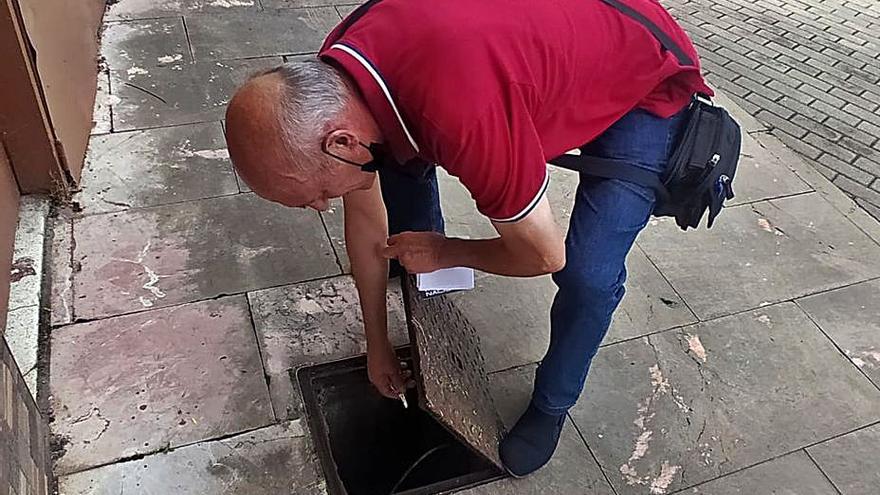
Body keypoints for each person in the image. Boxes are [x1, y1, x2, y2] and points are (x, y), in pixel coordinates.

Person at [225, 0, 711, 477]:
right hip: (544, 47)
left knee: (587, 273)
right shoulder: (339, 77)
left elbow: (542, 254)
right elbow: (367, 220)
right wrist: (376, 341)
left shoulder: (464, 113)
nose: (321, 207)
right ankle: (430, 286)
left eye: (314, 194)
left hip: (643, 78)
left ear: (340, 142)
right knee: (392, 162)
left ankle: (552, 403)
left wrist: (446, 251)